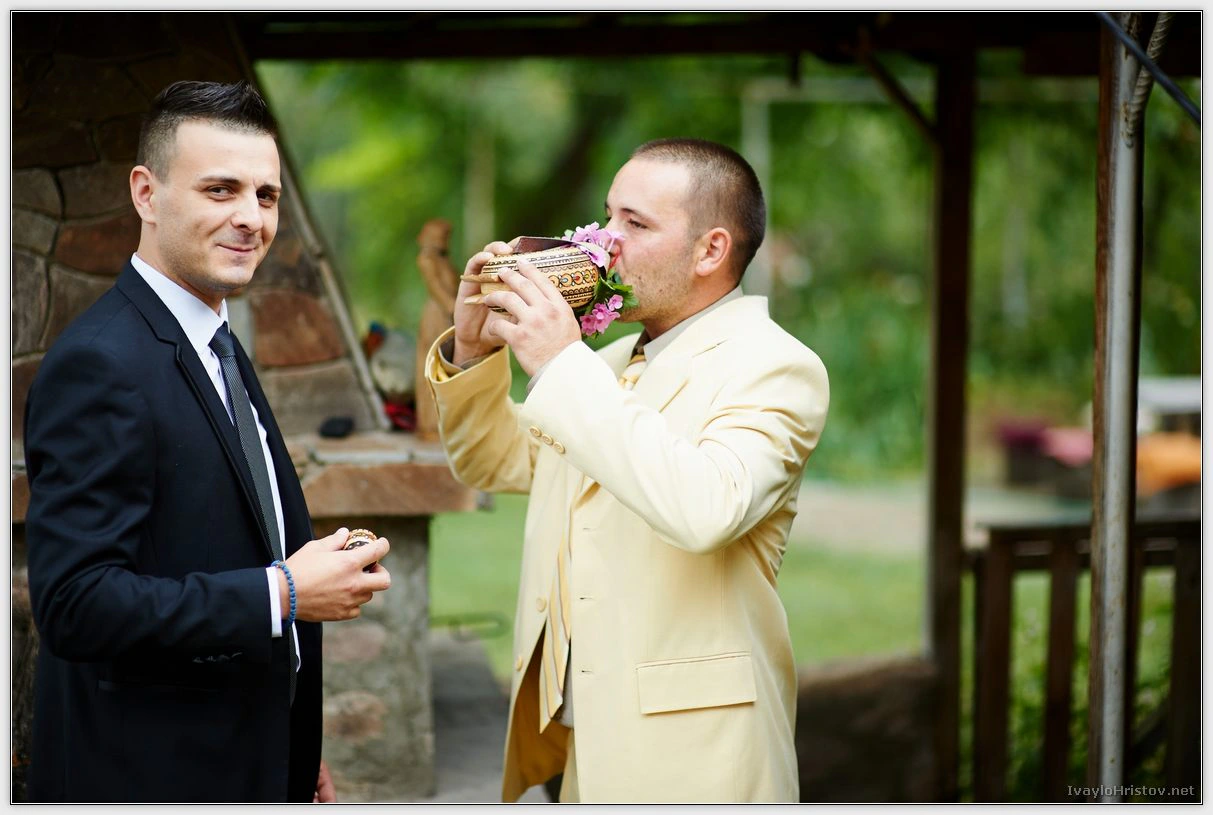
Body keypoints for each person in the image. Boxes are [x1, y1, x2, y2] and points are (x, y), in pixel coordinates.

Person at [424, 138, 829, 802]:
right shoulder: (605, 366)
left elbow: (706, 509)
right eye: (607, 216)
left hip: (694, 762)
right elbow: (492, 459)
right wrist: (473, 349)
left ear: (710, 250)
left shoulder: (775, 366)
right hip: (578, 746)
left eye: (635, 224)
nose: (603, 242)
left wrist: (560, 363)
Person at [23, 80, 392, 803]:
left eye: (266, 195)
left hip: (250, 758)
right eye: (220, 189)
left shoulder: (213, 337)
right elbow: (75, 603)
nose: (250, 218)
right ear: (146, 193)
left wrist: (290, 746)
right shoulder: (99, 363)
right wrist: (284, 592)